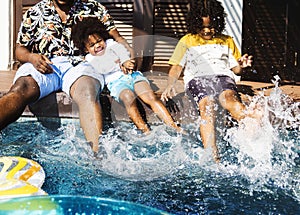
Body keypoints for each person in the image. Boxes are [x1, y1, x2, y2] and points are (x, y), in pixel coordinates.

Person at [0, 0, 132, 154]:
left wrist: (126, 57)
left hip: (81, 64)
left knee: (88, 92)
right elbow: (20, 49)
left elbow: (118, 38)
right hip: (45, 64)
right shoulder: (35, 12)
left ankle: (97, 158)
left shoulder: (94, 8)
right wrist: (31, 57)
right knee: (21, 88)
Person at [160, 0, 258, 162]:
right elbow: (177, 67)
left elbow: (235, 69)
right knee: (207, 104)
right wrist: (170, 85)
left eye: (211, 26)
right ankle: (213, 156)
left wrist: (241, 65)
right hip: (198, 79)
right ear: (194, 24)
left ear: (218, 23)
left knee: (229, 99)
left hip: (222, 77)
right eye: (202, 27)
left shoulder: (226, 40)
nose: (207, 31)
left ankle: (253, 130)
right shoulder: (187, 40)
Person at [71, 17, 183, 134]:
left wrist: (124, 60)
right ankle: (145, 131)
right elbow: (103, 68)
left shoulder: (110, 44)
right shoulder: (90, 58)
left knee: (149, 96)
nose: (97, 46)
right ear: (85, 48)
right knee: (128, 98)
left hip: (132, 75)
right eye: (92, 45)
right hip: (116, 84)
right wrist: (118, 63)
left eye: (99, 41)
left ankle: (173, 126)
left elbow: (122, 51)